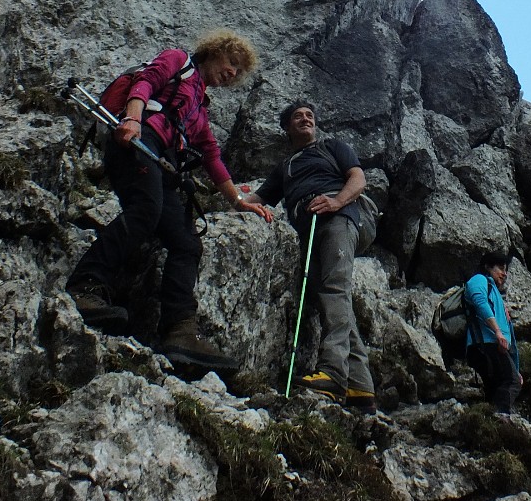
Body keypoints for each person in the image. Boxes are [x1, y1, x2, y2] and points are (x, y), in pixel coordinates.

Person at [67, 30, 274, 372]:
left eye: (239, 70)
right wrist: (133, 117)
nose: (233, 72)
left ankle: (180, 330)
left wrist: (238, 200)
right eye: (231, 62)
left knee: (186, 242)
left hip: (162, 161)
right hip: (136, 140)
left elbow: (211, 156)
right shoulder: (178, 62)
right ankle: (85, 284)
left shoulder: (200, 109)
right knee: (145, 210)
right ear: (214, 51)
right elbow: (147, 82)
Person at [243, 101, 377, 413]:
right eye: (297, 116)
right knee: (330, 296)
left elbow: (358, 180)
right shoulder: (285, 167)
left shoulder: (332, 146)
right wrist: (232, 198)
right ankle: (360, 387)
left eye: (310, 116)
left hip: (340, 217)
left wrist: (336, 202)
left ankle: (332, 373)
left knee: (333, 289)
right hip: (311, 228)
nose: (305, 119)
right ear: (287, 127)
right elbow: (260, 198)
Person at [465, 252, 523, 415]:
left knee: (497, 387)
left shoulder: (496, 294)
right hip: (485, 344)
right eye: (500, 268)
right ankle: (501, 417)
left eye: (506, 270)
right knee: (511, 381)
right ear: (487, 267)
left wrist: (516, 369)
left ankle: (489, 423)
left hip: (492, 345)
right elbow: (480, 302)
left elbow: (510, 334)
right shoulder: (479, 280)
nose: (504, 274)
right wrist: (497, 331)